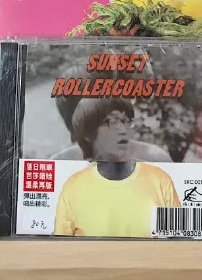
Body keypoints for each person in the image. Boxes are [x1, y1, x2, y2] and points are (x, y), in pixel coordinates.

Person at [53, 97, 181, 237]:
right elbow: (58, 240)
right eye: (111, 122)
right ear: (86, 131)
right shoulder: (68, 178)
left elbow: (178, 235)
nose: (122, 130)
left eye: (125, 121)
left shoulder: (157, 169)